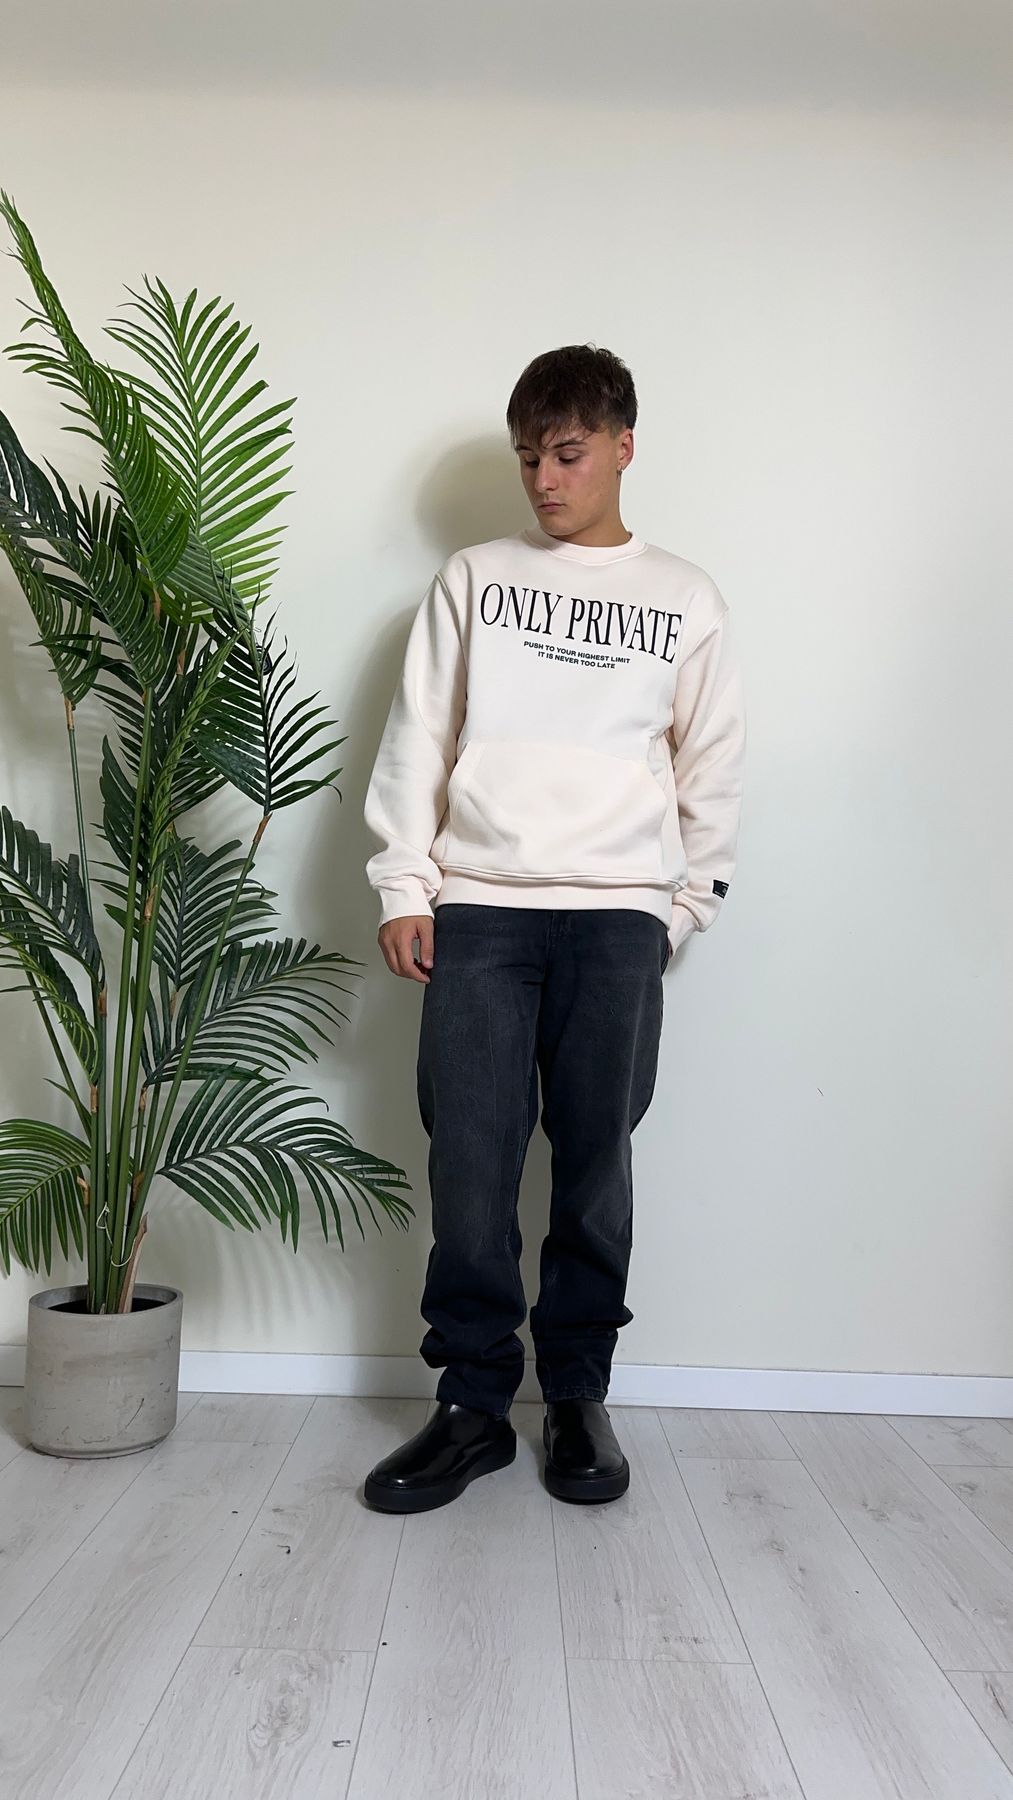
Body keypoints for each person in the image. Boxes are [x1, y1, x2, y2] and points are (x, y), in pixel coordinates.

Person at [361, 343, 746, 1513]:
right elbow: (418, 734)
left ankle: (576, 1395)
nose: (542, 478)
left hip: (617, 919)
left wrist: (680, 906)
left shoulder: (683, 596)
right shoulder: (474, 579)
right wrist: (405, 886)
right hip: (481, 908)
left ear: (623, 446)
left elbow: (710, 764)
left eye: (567, 454)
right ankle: (472, 1406)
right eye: (528, 455)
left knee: (592, 1166)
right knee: (471, 1165)